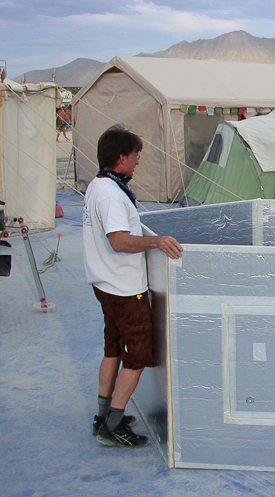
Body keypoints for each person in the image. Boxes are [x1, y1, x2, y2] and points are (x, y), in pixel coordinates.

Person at [83, 125, 183, 449]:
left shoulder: (98, 186)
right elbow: (119, 241)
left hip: (105, 284)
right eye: (136, 155)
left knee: (113, 348)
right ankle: (113, 424)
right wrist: (157, 241)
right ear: (121, 157)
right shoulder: (112, 195)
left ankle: (103, 414)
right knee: (137, 355)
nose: (138, 161)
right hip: (125, 289)